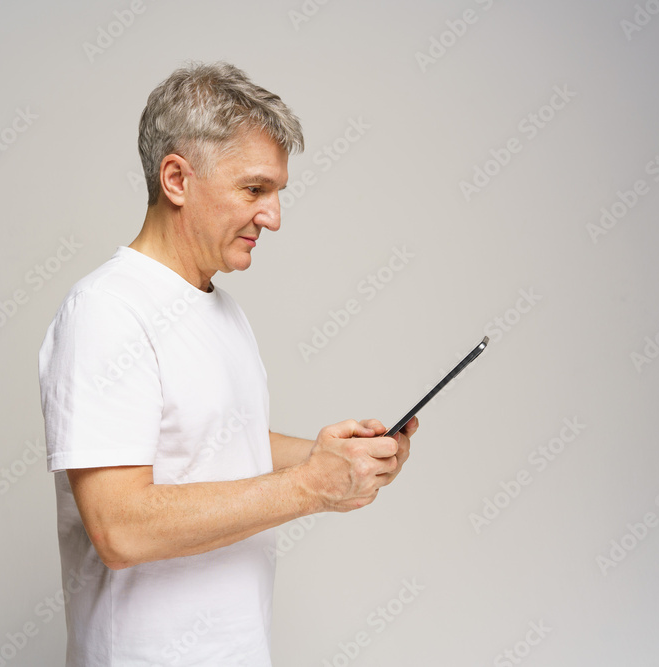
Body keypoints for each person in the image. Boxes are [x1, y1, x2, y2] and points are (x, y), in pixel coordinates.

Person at [38, 61, 418, 667]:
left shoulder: (222, 309)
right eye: (254, 190)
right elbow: (120, 527)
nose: (273, 216)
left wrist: (336, 457)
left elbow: (213, 442)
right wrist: (311, 485)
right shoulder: (106, 311)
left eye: (277, 192)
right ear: (176, 179)